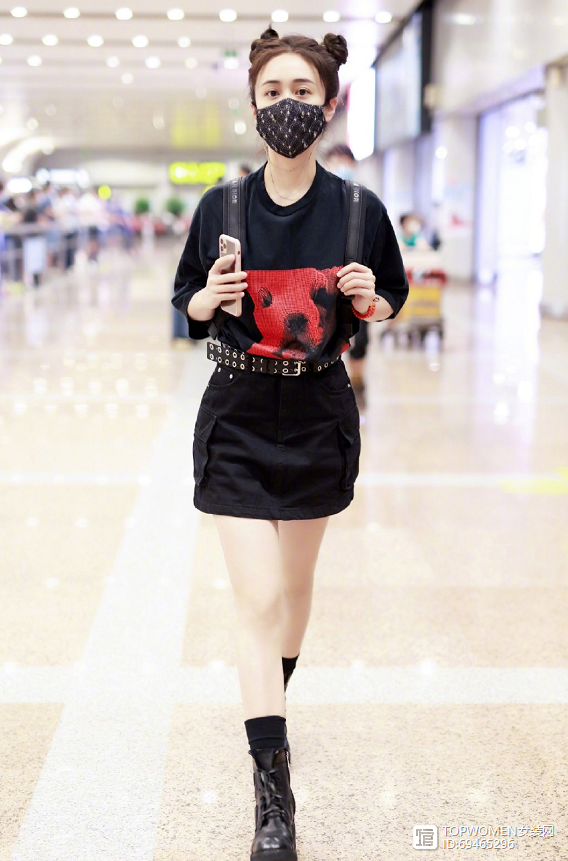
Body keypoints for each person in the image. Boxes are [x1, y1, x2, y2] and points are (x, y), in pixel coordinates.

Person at [171, 26, 408, 861]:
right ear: (252, 104)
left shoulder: (358, 210)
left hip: (317, 412)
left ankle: (267, 698)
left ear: (329, 103)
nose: (287, 106)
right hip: (237, 411)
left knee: (295, 591)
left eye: (302, 91)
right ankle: (273, 797)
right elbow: (184, 303)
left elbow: (390, 300)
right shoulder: (221, 207)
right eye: (272, 92)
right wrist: (208, 297)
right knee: (260, 596)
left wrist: (371, 300)